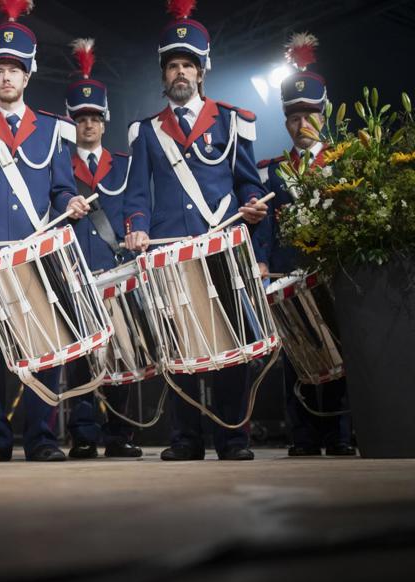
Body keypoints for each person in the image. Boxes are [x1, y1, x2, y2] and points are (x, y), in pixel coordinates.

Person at [122, 0, 269, 461]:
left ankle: (233, 436)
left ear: (201, 71)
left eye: (188, 65)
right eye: (172, 66)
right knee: (178, 343)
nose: (180, 73)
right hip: (170, 251)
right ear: (163, 76)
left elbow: (248, 181)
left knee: (231, 342)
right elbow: (136, 195)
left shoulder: (230, 120)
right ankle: (185, 438)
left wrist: (252, 209)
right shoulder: (145, 131)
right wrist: (137, 228)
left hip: (222, 244)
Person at [0, 1, 86, 462]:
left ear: (28, 77)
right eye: (0, 70)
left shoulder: (52, 131)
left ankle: (43, 438)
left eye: (15, 70)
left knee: (43, 346)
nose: (7, 77)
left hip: (37, 256)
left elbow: (62, 188)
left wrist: (72, 203)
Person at [256, 33, 355, 457]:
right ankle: (303, 436)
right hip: (287, 269)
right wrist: (260, 261)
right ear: (286, 122)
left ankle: (339, 435)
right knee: (295, 357)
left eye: (309, 115)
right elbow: (264, 226)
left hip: (331, 271)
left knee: (338, 356)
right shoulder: (274, 171)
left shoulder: (345, 160)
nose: (302, 124)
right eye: (294, 118)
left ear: (323, 115)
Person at [60, 38, 143, 459]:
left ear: (105, 122)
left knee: (122, 358)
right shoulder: (59, 167)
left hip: (116, 271)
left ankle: (120, 435)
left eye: (94, 118)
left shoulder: (124, 164)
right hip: (76, 274)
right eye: (81, 118)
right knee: (79, 361)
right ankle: (83, 435)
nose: (87, 125)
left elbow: (134, 208)